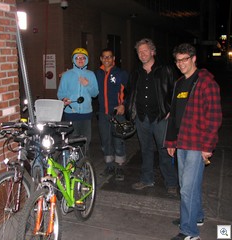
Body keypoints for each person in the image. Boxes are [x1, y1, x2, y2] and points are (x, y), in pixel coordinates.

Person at [165, 43, 222, 240]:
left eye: (185, 59)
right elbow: (174, 115)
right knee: (188, 185)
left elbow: (214, 117)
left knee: (187, 188)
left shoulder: (206, 83)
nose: (181, 64)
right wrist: (171, 141)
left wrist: (208, 147)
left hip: (198, 144)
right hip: (182, 142)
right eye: (178, 60)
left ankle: (189, 232)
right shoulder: (180, 82)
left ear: (194, 58)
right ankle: (195, 216)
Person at [127, 38, 178, 195]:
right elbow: (130, 93)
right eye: (139, 52)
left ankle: (171, 182)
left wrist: (171, 109)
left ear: (152, 51)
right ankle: (147, 179)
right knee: (145, 150)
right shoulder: (136, 73)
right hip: (142, 118)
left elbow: (176, 92)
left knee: (165, 150)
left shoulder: (166, 70)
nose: (142, 54)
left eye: (145, 51)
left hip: (160, 117)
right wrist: (131, 110)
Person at [95, 48, 129, 181]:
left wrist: (123, 105)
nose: (107, 59)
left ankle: (119, 166)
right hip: (103, 113)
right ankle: (109, 165)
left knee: (118, 140)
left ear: (113, 59)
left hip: (117, 113)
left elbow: (129, 91)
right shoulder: (97, 73)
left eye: (109, 57)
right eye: (104, 57)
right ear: (101, 59)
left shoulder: (121, 73)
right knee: (105, 140)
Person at [57, 48, 99, 153]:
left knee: (86, 140)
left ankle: (84, 164)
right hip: (71, 113)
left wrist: (87, 84)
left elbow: (95, 93)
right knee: (72, 142)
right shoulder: (66, 75)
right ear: (73, 60)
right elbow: (60, 93)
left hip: (86, 113)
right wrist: (64, 99)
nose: (80, 60)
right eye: (78, 58)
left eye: (83, 58)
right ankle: (72, 165)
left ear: (87, 60)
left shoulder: (91, 74)